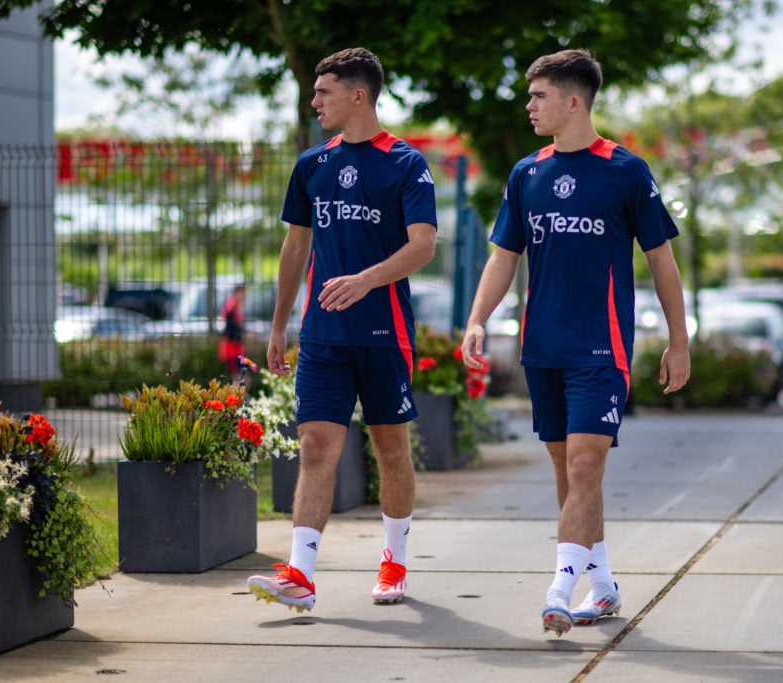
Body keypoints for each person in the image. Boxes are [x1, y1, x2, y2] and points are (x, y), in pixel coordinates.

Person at [460, 49, 690, 637]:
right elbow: (503, 257)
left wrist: (678, 340)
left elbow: (662, 262)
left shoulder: (626, 170)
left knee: (587, 464)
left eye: (538, 96)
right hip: (542, 349)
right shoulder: (525, 173)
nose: (529, 106)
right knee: (571, 475)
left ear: (573, 101)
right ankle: (604, 586)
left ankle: (559, 590)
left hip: (600, 349)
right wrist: (477, 319)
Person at [246, 47, 438, 612]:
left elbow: (423, 245)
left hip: (385, 334)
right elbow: (295, 246)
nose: (314, 102)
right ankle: (300, 575)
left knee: (390, 449)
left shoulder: (406, 163)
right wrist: (280, 326)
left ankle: (395, 561)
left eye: (323, 92)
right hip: (324, 337)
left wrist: (368, 280)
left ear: (358, 95)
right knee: (314, 446)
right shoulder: (311, 164)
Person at [219, 284, 246, 382]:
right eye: (243, 292)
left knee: (240, 376)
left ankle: (239, 396)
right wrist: (242, 336)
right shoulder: (231, 307)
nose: (245, 296)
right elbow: (229, 330)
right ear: (237, 292)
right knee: (239, 377)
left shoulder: (236, 306)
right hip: (232, 349)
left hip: (236, 349)